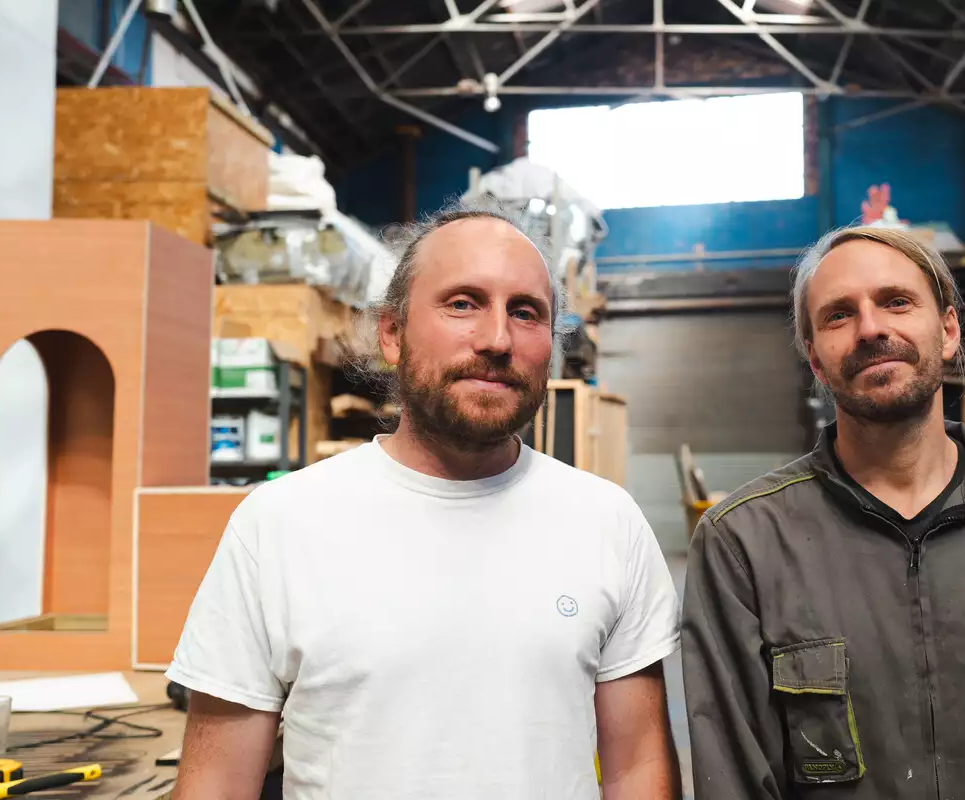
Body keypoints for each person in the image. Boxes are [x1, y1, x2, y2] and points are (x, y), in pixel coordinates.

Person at [168, 202, 682, 800]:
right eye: (462, 303)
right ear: (392, 334)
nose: (497, 339)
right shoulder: (279, 524)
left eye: (525, 312)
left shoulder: (607, 523)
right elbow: (216, 783)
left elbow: (637, 769)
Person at [682, 226, 965, 799]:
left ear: (948, 330)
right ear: (816, 361)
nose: (871, 328)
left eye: (896, 302)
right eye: (838, 315)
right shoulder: (743, 544)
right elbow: (734, 784)